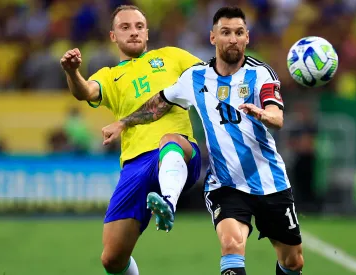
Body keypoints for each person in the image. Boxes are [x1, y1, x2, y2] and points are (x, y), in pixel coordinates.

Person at [102, 6, 304, 275]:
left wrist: (264, 114)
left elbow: (277, 117)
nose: (232, 38)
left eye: (239, 32)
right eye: (226, 32)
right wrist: (123, 122)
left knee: (293, 261)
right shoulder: (195, 77)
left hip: (270, 180)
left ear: (247, 38)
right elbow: (158, 104)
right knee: (232, 246)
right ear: (213, 38)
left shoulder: (262, 74)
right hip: (226, 183)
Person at [60, 5, 202, 275]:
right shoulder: (110, 76)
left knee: (170, 140)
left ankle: (169, 204)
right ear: (113, 36)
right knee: (112, 260)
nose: (134, 32)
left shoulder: (172, 56)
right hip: (134, 167)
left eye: (139, 26)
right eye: (125, 27)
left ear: (147, 32)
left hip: (178, 152)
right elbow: (85, 91)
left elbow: (211, 75)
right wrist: (72, 72)